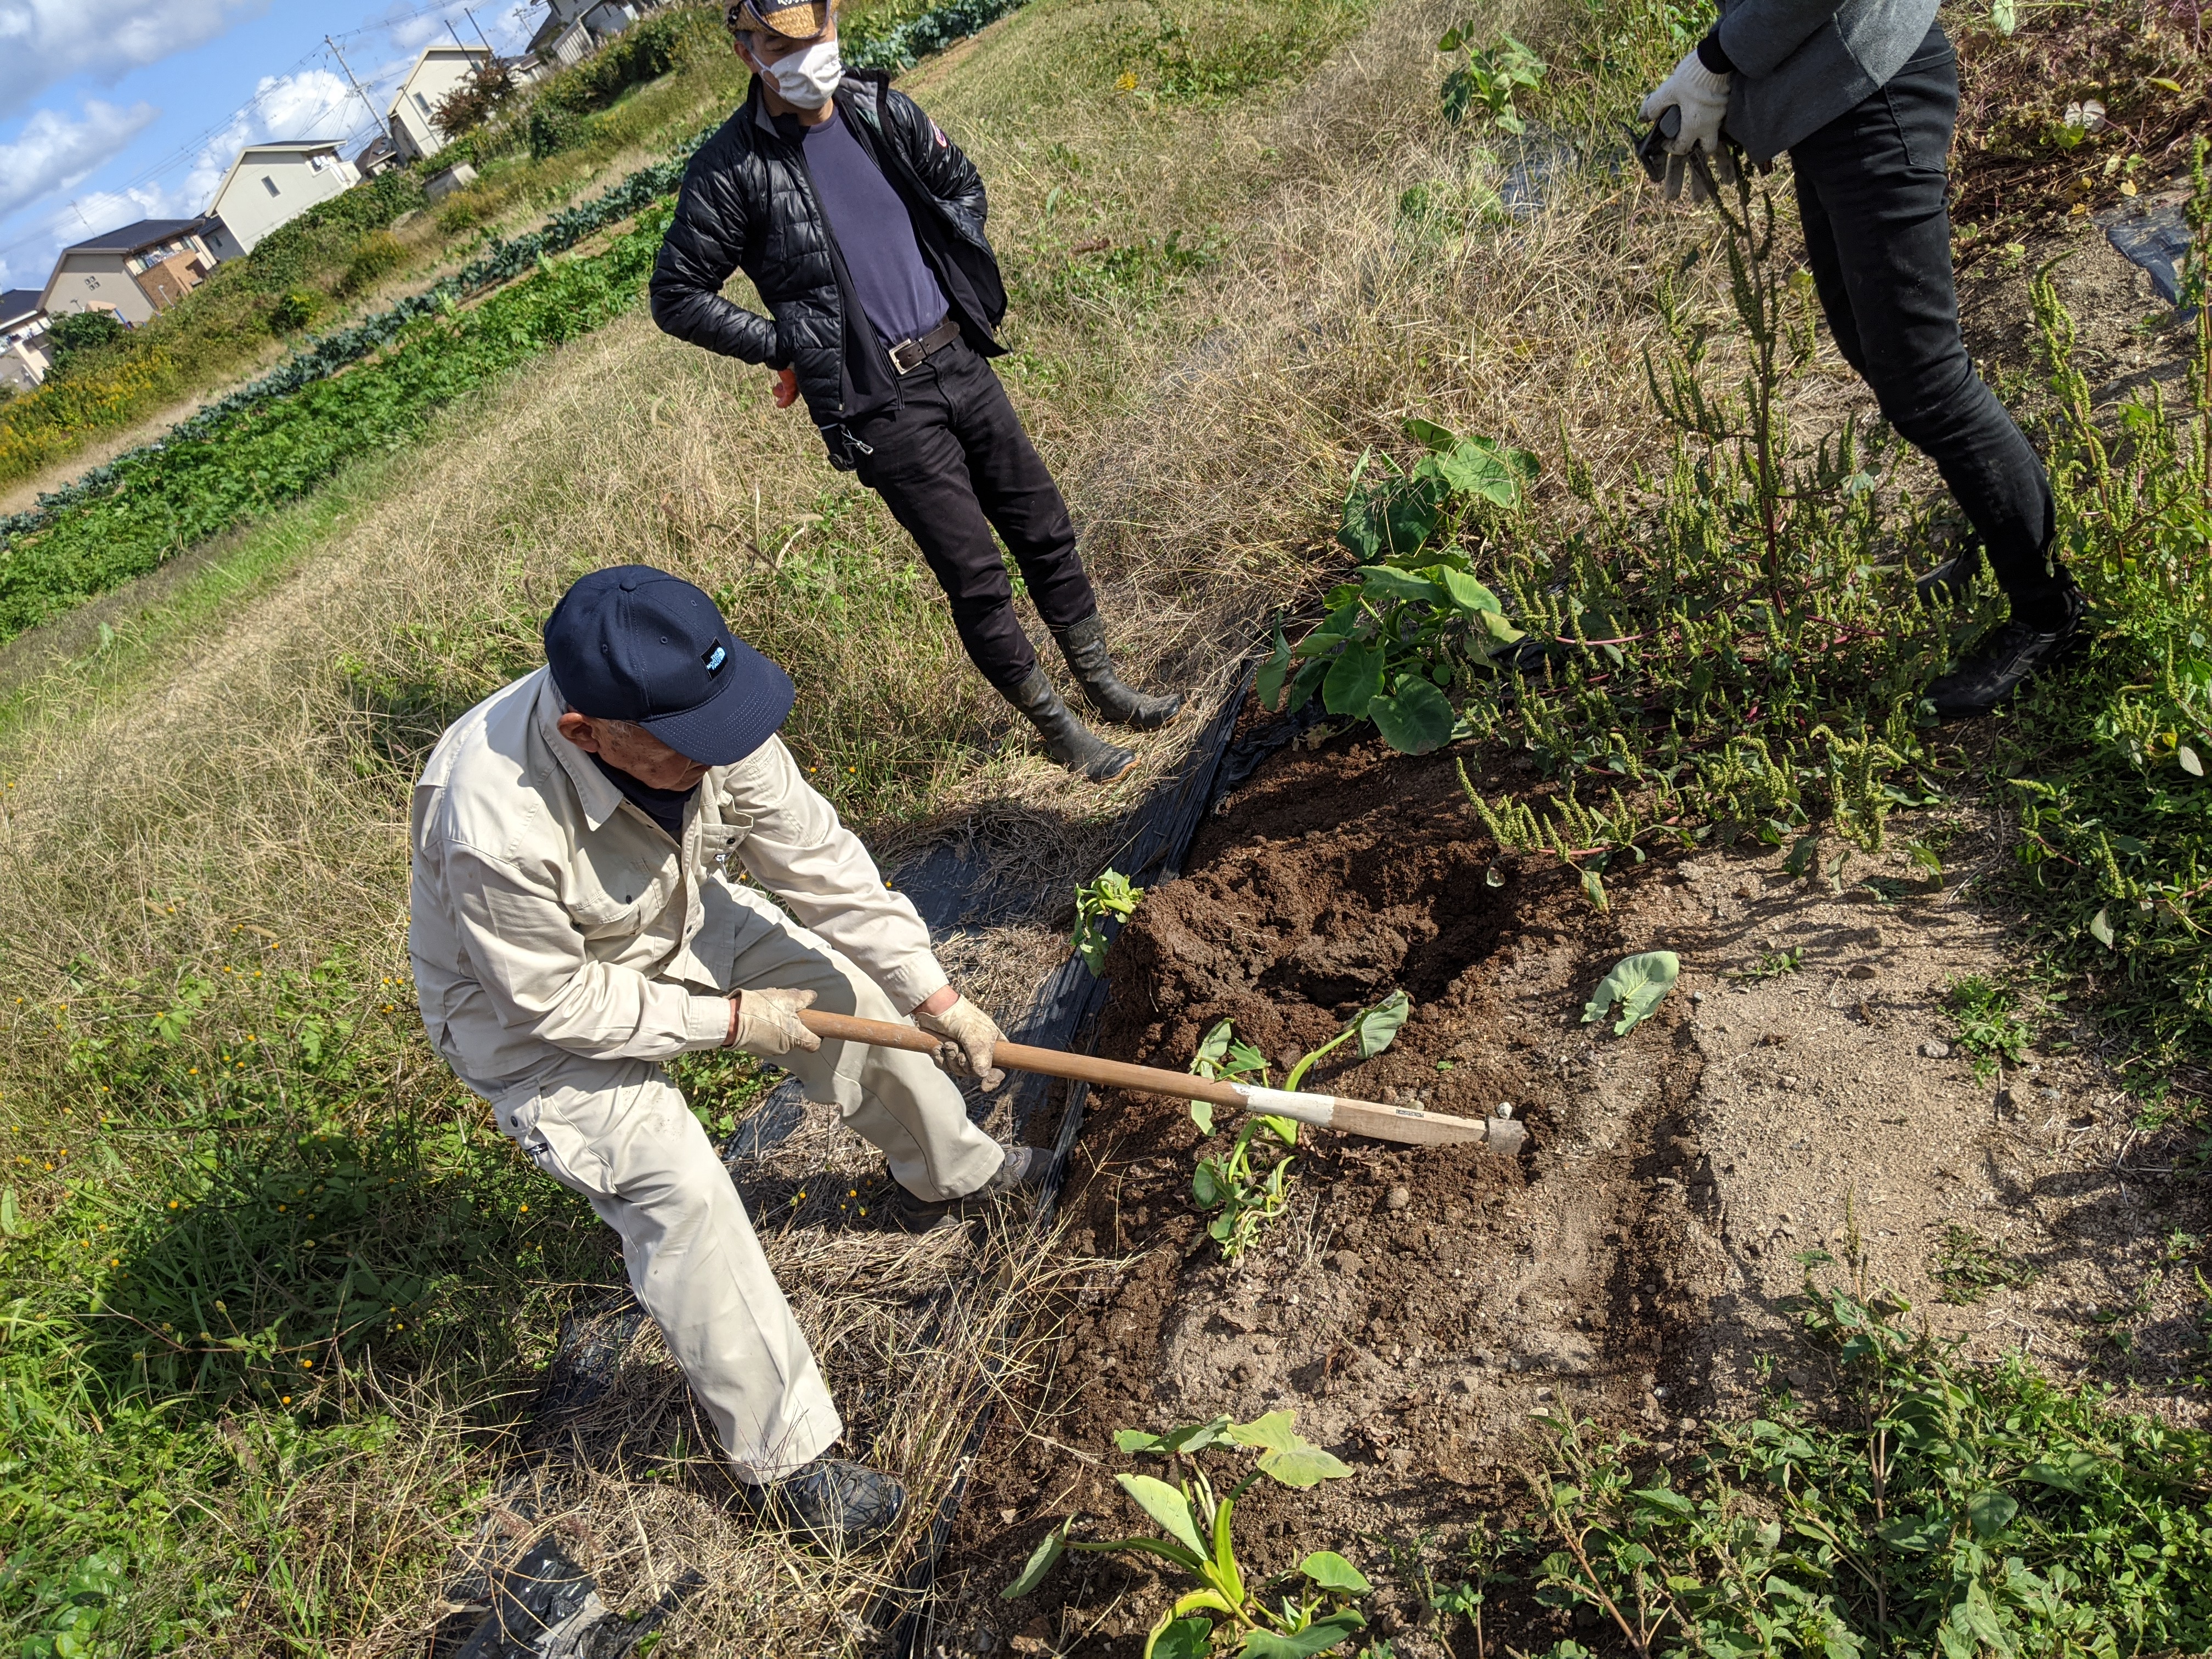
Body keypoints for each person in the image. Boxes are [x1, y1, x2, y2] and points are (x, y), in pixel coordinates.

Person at [408, 564, 1048, 1549]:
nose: (721, 756)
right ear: (589, 733)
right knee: (680, 1191)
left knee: (856, 999)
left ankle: (956, 1172)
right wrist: (738, 1022)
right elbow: (557, 1000)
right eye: (689, 750)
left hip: (673, 920)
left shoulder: (704, 719)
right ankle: (790, 1458)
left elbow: (817, 857)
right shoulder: (491, 819)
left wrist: (938, 994)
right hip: (529, 1020)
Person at [648, 0, 1184, 782]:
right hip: (882, 404)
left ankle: (1104, 684)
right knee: (975, 575)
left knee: (1044, 526)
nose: (808, 56)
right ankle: (1058, 728)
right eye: (781, 43)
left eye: (818, 34)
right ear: (747, 52)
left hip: (958, 357)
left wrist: (951, 266)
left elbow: (959, 184)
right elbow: (678, 294)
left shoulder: (878, 109)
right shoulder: (733, 168)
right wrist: (791, 345)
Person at [1639, 0, 2085, 716]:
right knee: (1874, 347)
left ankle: (2048, 610)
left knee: (1926, 380)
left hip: (1876, 96)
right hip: (1837, 108)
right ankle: (2002, 533)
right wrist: (1724, 91)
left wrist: (1716, 58)